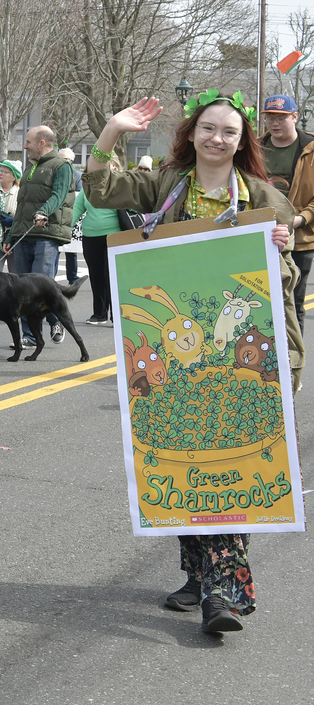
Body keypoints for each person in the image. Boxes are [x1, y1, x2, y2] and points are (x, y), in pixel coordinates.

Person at [82, 91, 302, 634]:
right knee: (187, 458)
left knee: (230, 463)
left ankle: (223, 595)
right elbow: (101, 187)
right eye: (208, 128)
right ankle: (199, 572)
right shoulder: (166, 184)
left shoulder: (267, 200)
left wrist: (280, 247)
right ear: (192, 133)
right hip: (180, 361)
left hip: (250, 359)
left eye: (229, 131)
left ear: (242, 140)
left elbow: (287, 287)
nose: (217, 139)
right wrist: (114, 129)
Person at [9, 126, 75, 348]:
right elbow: (22, 205)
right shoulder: (31, 167)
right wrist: (12, 233)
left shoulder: (62, 166)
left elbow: (59, 195)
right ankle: (29, 336)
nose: (24, 146)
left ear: (42, 143)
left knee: (41, 288)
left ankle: (55, 321)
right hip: (23, 236)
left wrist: (44, 212)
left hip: (46, 235)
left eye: (28, 142)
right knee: (22, 290)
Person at [260, 94, 314, 333]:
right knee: (262, 303)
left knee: (293, 305)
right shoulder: (255, 147)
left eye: (281, 117)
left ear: (294, 117)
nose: (275, 123)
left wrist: (300, 220)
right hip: (262, 237)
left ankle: (292, 365)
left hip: (299, 240)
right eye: (270, 117)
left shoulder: (310, 149)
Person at [72, 153, 122, 325]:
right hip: (90, 236)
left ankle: (117, 315)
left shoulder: (120, 185)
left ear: (114, 166)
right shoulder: (88, 187)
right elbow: (76, 210)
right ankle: (99, 314)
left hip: (114, 236)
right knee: (96, 275)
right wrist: (63, 230)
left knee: (112, 276)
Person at [58, 146, 81, 284]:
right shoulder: (53, 173)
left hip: (71, 216)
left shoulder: (77, 177)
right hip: (55, 216)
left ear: (71, 161)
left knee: (71, 250)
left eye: (65, 160)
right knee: (54, 249)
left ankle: (72, 278)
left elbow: (79, 197)